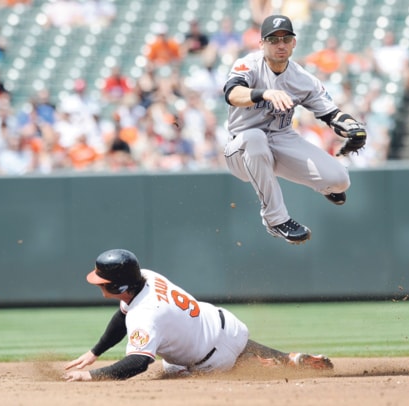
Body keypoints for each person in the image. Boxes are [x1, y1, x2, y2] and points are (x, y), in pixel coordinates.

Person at [63, 249, 333, 381]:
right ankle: (289, 359)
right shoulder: (146, 276)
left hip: (212, 359)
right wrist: (95, 351)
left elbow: (138, 362)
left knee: (170, 368)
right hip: (225, 323)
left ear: (118, 286)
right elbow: (122, 316)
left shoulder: (144, 315)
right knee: (225, 342)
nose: (97, 283)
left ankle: (268, 365)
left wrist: (92, 375)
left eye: (101, 280)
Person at [223, 15, 367, 245]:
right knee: (254, 138)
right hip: (241, 146)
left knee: (340, 180)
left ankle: (326, 186)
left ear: (294, 43)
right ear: (262, 43)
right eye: (273, 39)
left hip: (281, 139)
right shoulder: (248, 64)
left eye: (286, 38)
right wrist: (264, 93)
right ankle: (275, 219)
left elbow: (331, 114)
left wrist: (351, 127)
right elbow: (232, 94)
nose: (280, 44)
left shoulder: (302, 78)